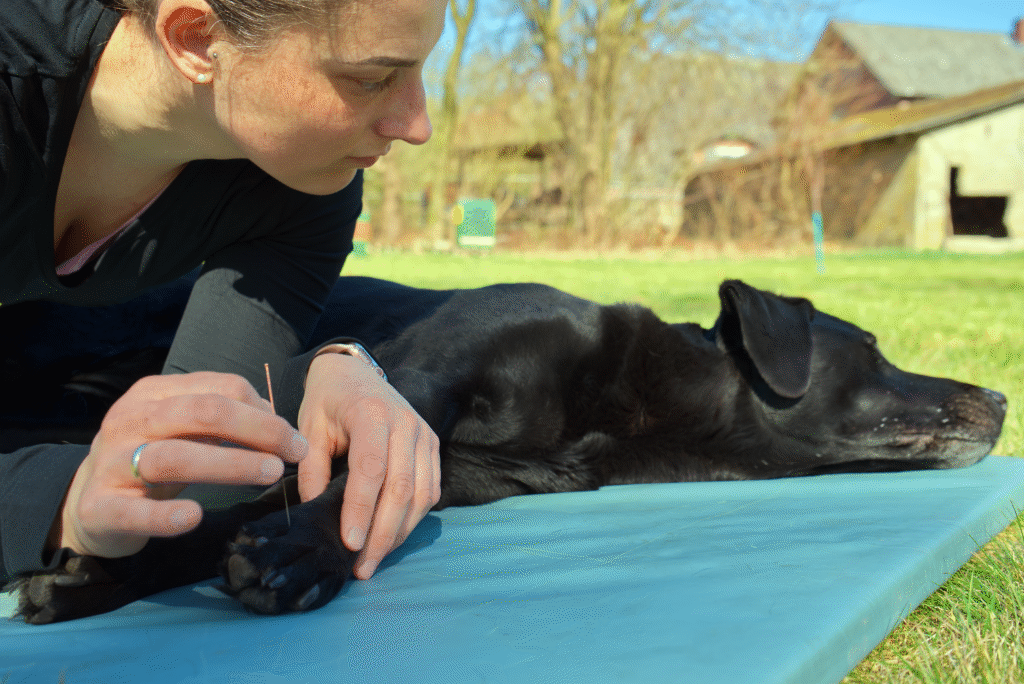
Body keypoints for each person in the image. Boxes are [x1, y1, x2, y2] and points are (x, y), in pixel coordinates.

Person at [0, 0, 447, 587]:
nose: (418, 126)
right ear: (195, 38)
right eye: (370, 78)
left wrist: (323, 374)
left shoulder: (303, 184)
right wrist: (58, 499)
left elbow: (203, 459)